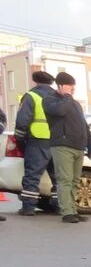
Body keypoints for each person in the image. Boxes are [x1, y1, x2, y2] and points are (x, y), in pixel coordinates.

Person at [44, 72, 91, 224]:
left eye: (73, 88)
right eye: (70, 88)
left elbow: (83, 125)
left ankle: (73, 209)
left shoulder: (75, 103)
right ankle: (66, 211)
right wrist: (66, 96)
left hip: (78, 146)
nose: (72, 91)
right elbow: (60, 111)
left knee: (75, 180)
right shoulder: (49, 100)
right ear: (61, 86)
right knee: (65, 180)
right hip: (62, 145)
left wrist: (90, 144)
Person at [13, 70, 60, 216]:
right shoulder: (58, 97)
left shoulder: (31, 96)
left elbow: (22, 120)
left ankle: (28, 207)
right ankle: (59, 206)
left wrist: (19, 139)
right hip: (57, 141)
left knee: (32, 175)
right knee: (58, 177)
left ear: (35, 81)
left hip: (37, 140)